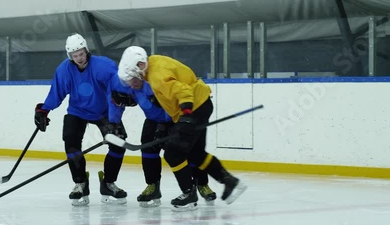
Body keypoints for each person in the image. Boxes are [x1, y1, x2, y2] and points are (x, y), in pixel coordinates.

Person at [117, 46, 247, 211]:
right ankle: (230, 182)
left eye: (131, 78)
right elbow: (174, 84)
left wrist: (186, 115)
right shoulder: (154, 61)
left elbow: (183, 91)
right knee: (196, 153)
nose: (130, 83)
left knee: (173, 153)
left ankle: (189, 194)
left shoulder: (157, 77)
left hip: (194, 108)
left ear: (139, 67)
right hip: (201, 104)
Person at [33, 33, 128, 206]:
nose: (79, 58)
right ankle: (80, 183)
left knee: (119, 143)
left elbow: (116, 94)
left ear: (86, 51)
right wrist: (44, 109)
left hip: (104, 112)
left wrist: (114, 119)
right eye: (75, 55)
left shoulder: (104, 66)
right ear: (70, 56)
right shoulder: (64, 70)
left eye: (81, 54)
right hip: (78, 111)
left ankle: (108, 183)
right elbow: (57, 92)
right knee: (70, 141)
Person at [108, 73, 217, 207]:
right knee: (148, 148)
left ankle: (201, 184)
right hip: (153, 119)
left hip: (177, 117)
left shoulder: (153, 83)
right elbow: (115, 104)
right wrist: (114, 124)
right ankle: (152, 186)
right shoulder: (121, 86)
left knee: (191, 151)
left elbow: (170, 101)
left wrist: (163, 126)